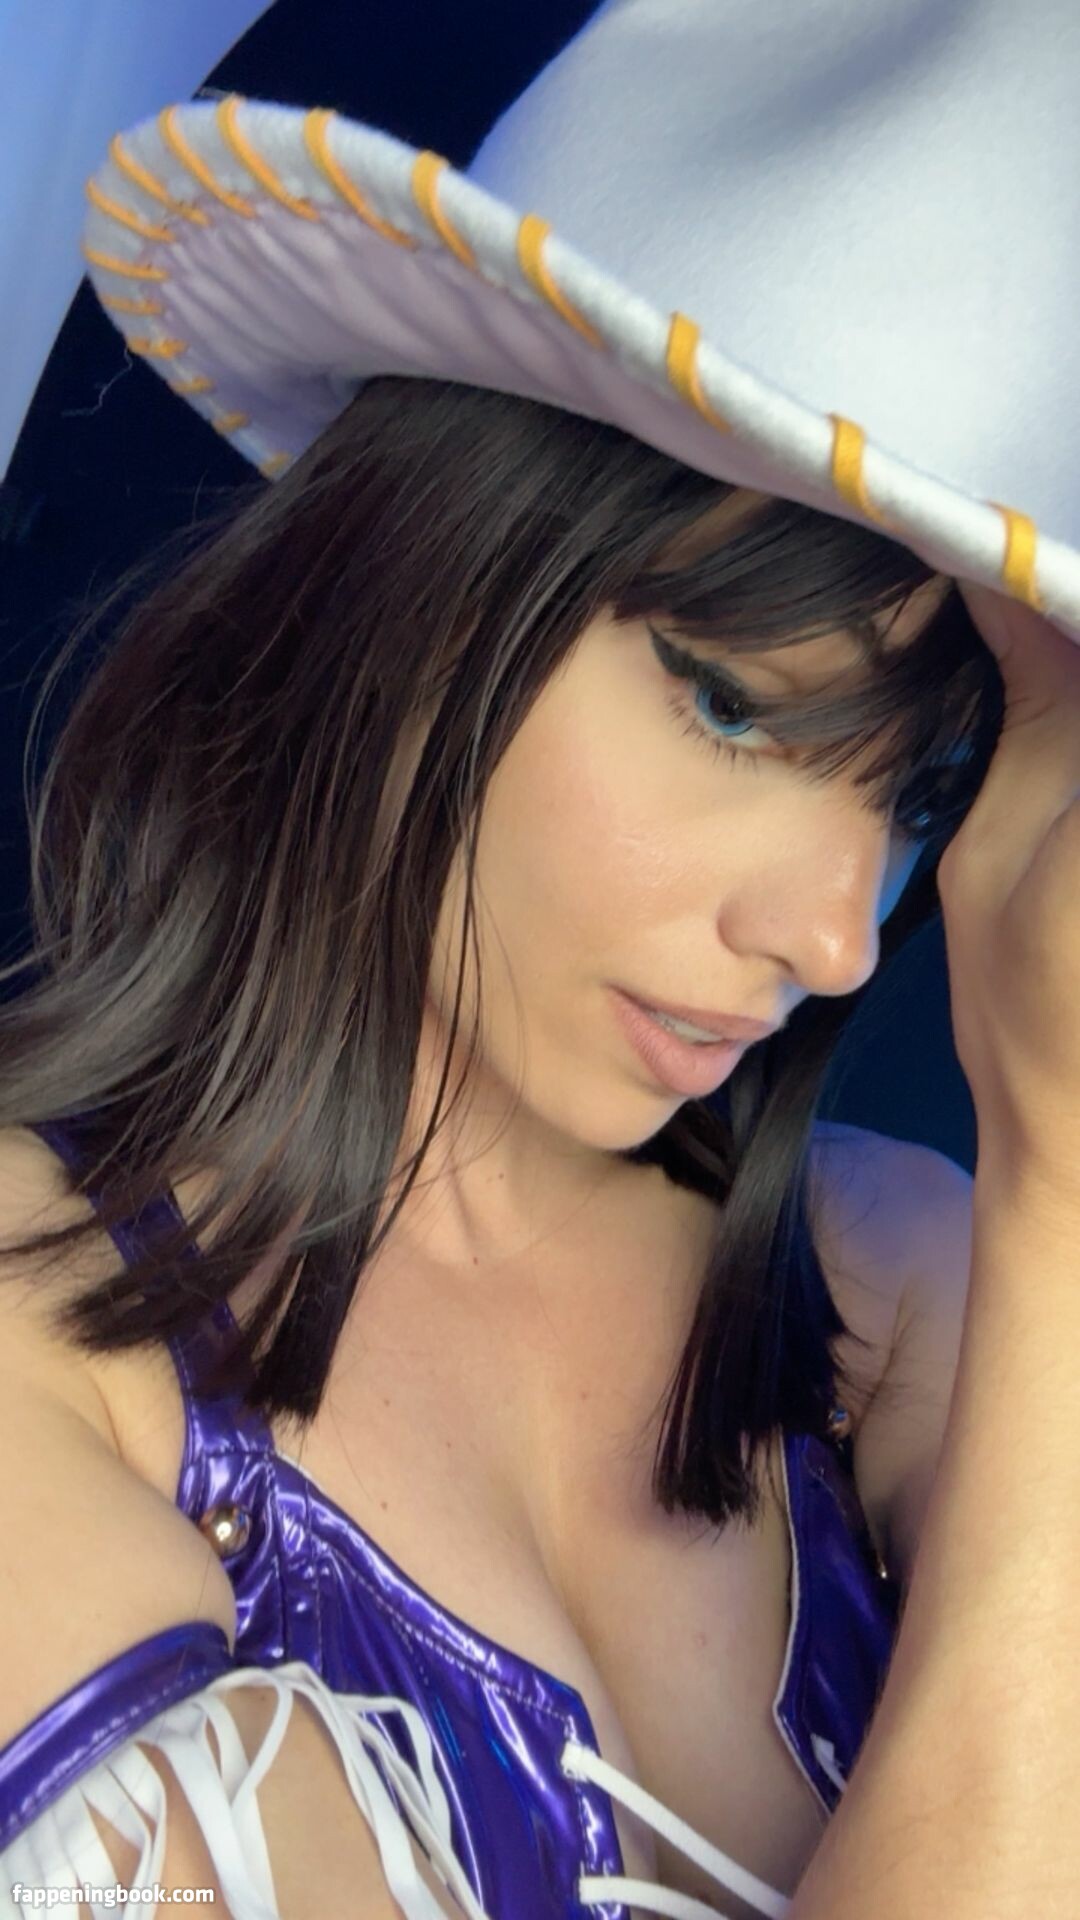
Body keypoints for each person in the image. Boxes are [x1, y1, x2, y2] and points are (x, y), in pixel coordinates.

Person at [1, 4, 1079, 1918]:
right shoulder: (37, 1329)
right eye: (737, 708)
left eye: (921, 798)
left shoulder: (913, 1293)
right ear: (422, 585)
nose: (836, 939)